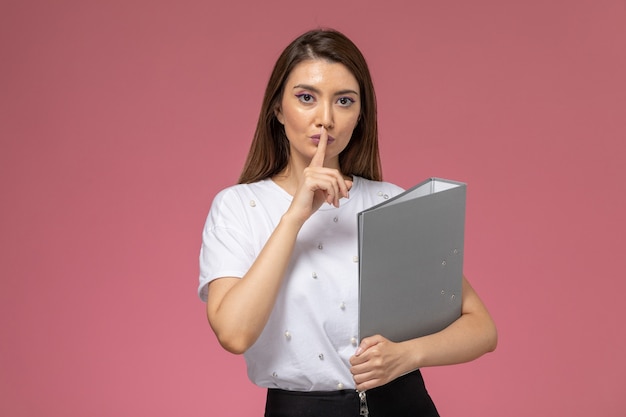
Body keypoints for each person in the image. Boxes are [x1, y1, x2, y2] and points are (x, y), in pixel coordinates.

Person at [198, 28, 497, 417]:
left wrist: (406, 355)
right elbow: (234, 333)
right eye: (306, 98)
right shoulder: (238, 206)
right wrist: (294, 218)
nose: (325, 119)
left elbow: (482, 328)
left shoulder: (391, 202)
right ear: (277, 110)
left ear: (359, 115)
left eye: (344, 101)